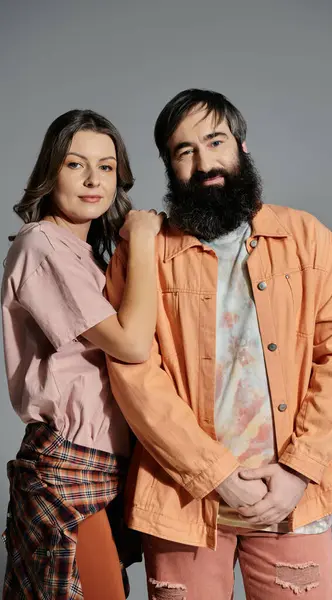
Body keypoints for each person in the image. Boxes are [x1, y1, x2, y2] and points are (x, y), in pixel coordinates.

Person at [106, 89, 332, 599]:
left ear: (242, 147)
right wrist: (216, 474)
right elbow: (134, 375)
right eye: (185, 152)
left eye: (215, 141)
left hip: (293, 498)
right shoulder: (144, 254)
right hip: (183, 498)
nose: (205, 164)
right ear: (169, 166)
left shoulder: (308, 238)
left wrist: (298, 469)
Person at [1, 109, 163, 599]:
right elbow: (132, 344)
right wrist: (144, 242)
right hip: (67, 466)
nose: (94, 179)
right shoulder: (41, 244)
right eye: (75, 164)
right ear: (51, 172)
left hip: (106, 466)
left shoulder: (90, 256)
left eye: (107, 166)